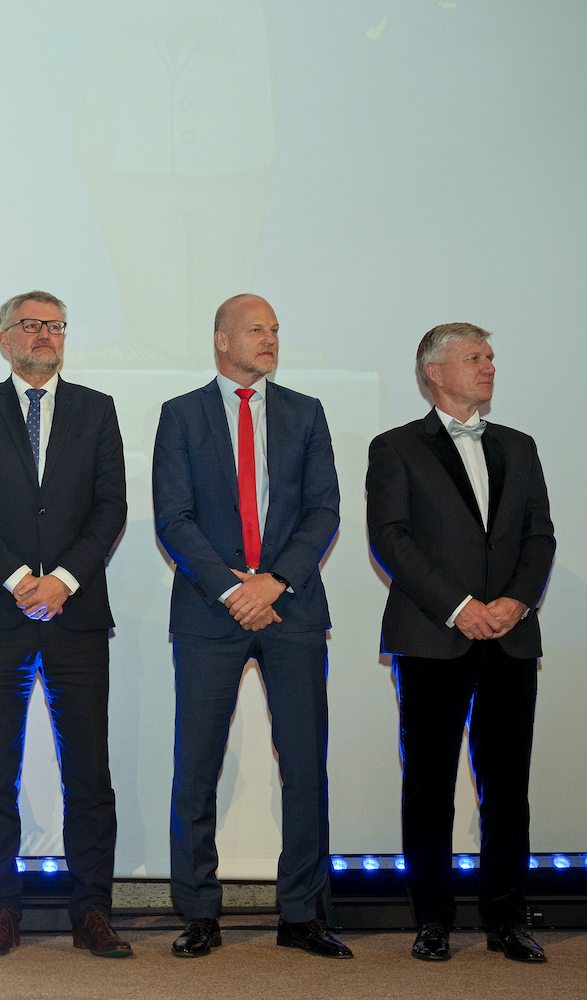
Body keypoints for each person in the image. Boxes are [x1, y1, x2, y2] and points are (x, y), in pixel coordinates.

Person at [152, 293, 349, 959]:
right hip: (210, 611)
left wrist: (275, 581)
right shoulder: (181, 415)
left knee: (305, 766)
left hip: (292, 609)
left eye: (275, 330)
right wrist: (233, 589)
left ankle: (302, 915)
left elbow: (324, 510)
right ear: (221, 338)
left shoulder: (305, 413)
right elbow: (173, 518)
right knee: (196, 767)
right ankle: (199, 913)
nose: (269, 339)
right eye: (256, 329)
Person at [0, 290, 130, 958]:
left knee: (89, 774)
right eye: (31, 324)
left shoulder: (97, 409)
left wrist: (63, 581)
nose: (46, 334)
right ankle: (0, 910)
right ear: (5, 339)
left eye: (55, 325)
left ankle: (92, 912)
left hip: (77, 615)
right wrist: (21, 579)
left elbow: (111, 507)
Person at [367, 323, 554, 964]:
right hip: (432, 637)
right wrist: (459, 607)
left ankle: (507, 918)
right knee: (429, 786)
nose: (489, 366)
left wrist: (516, 602)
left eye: (491, 356)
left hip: (509, 636)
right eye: (475, 357)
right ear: (435, 372)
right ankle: (433, 920)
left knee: (507, 786)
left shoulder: (519, 446)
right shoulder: (395, 447)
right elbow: (391, 538)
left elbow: (539, 536)